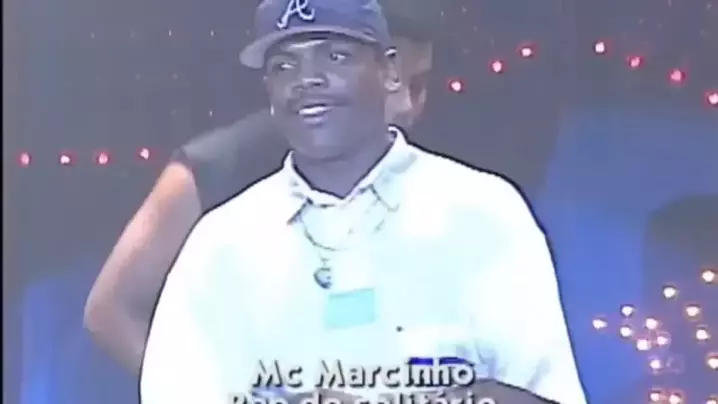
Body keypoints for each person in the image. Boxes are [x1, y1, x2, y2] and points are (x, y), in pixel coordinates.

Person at [140, 0, 586, 403]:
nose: (307, 80)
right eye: (284, 66)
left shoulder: (484, 213)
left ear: (390, 71)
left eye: (335, 56)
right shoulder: (221, 243)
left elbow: (547, 391)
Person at [83, 0, 436, 374]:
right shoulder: (217, 168)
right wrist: (201, 388)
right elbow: (109, 311)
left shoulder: (445, 188)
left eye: (419, 86)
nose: (408, 105)